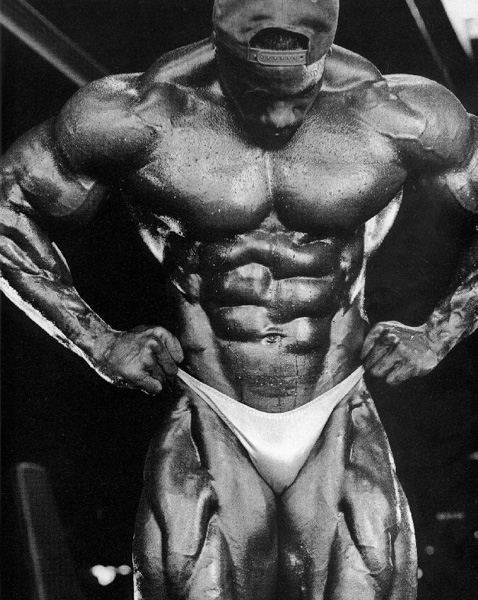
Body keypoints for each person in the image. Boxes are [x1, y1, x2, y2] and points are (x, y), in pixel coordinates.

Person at [1, 0, 477, 597]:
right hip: (211, 407)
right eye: (258, 95)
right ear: (222, 52)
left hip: (336, 402)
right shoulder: (141, 114)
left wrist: (439, 333)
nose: (279, 118)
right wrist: (95, 339)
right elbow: (8, 209)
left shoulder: (395, 113)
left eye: (298, 97)